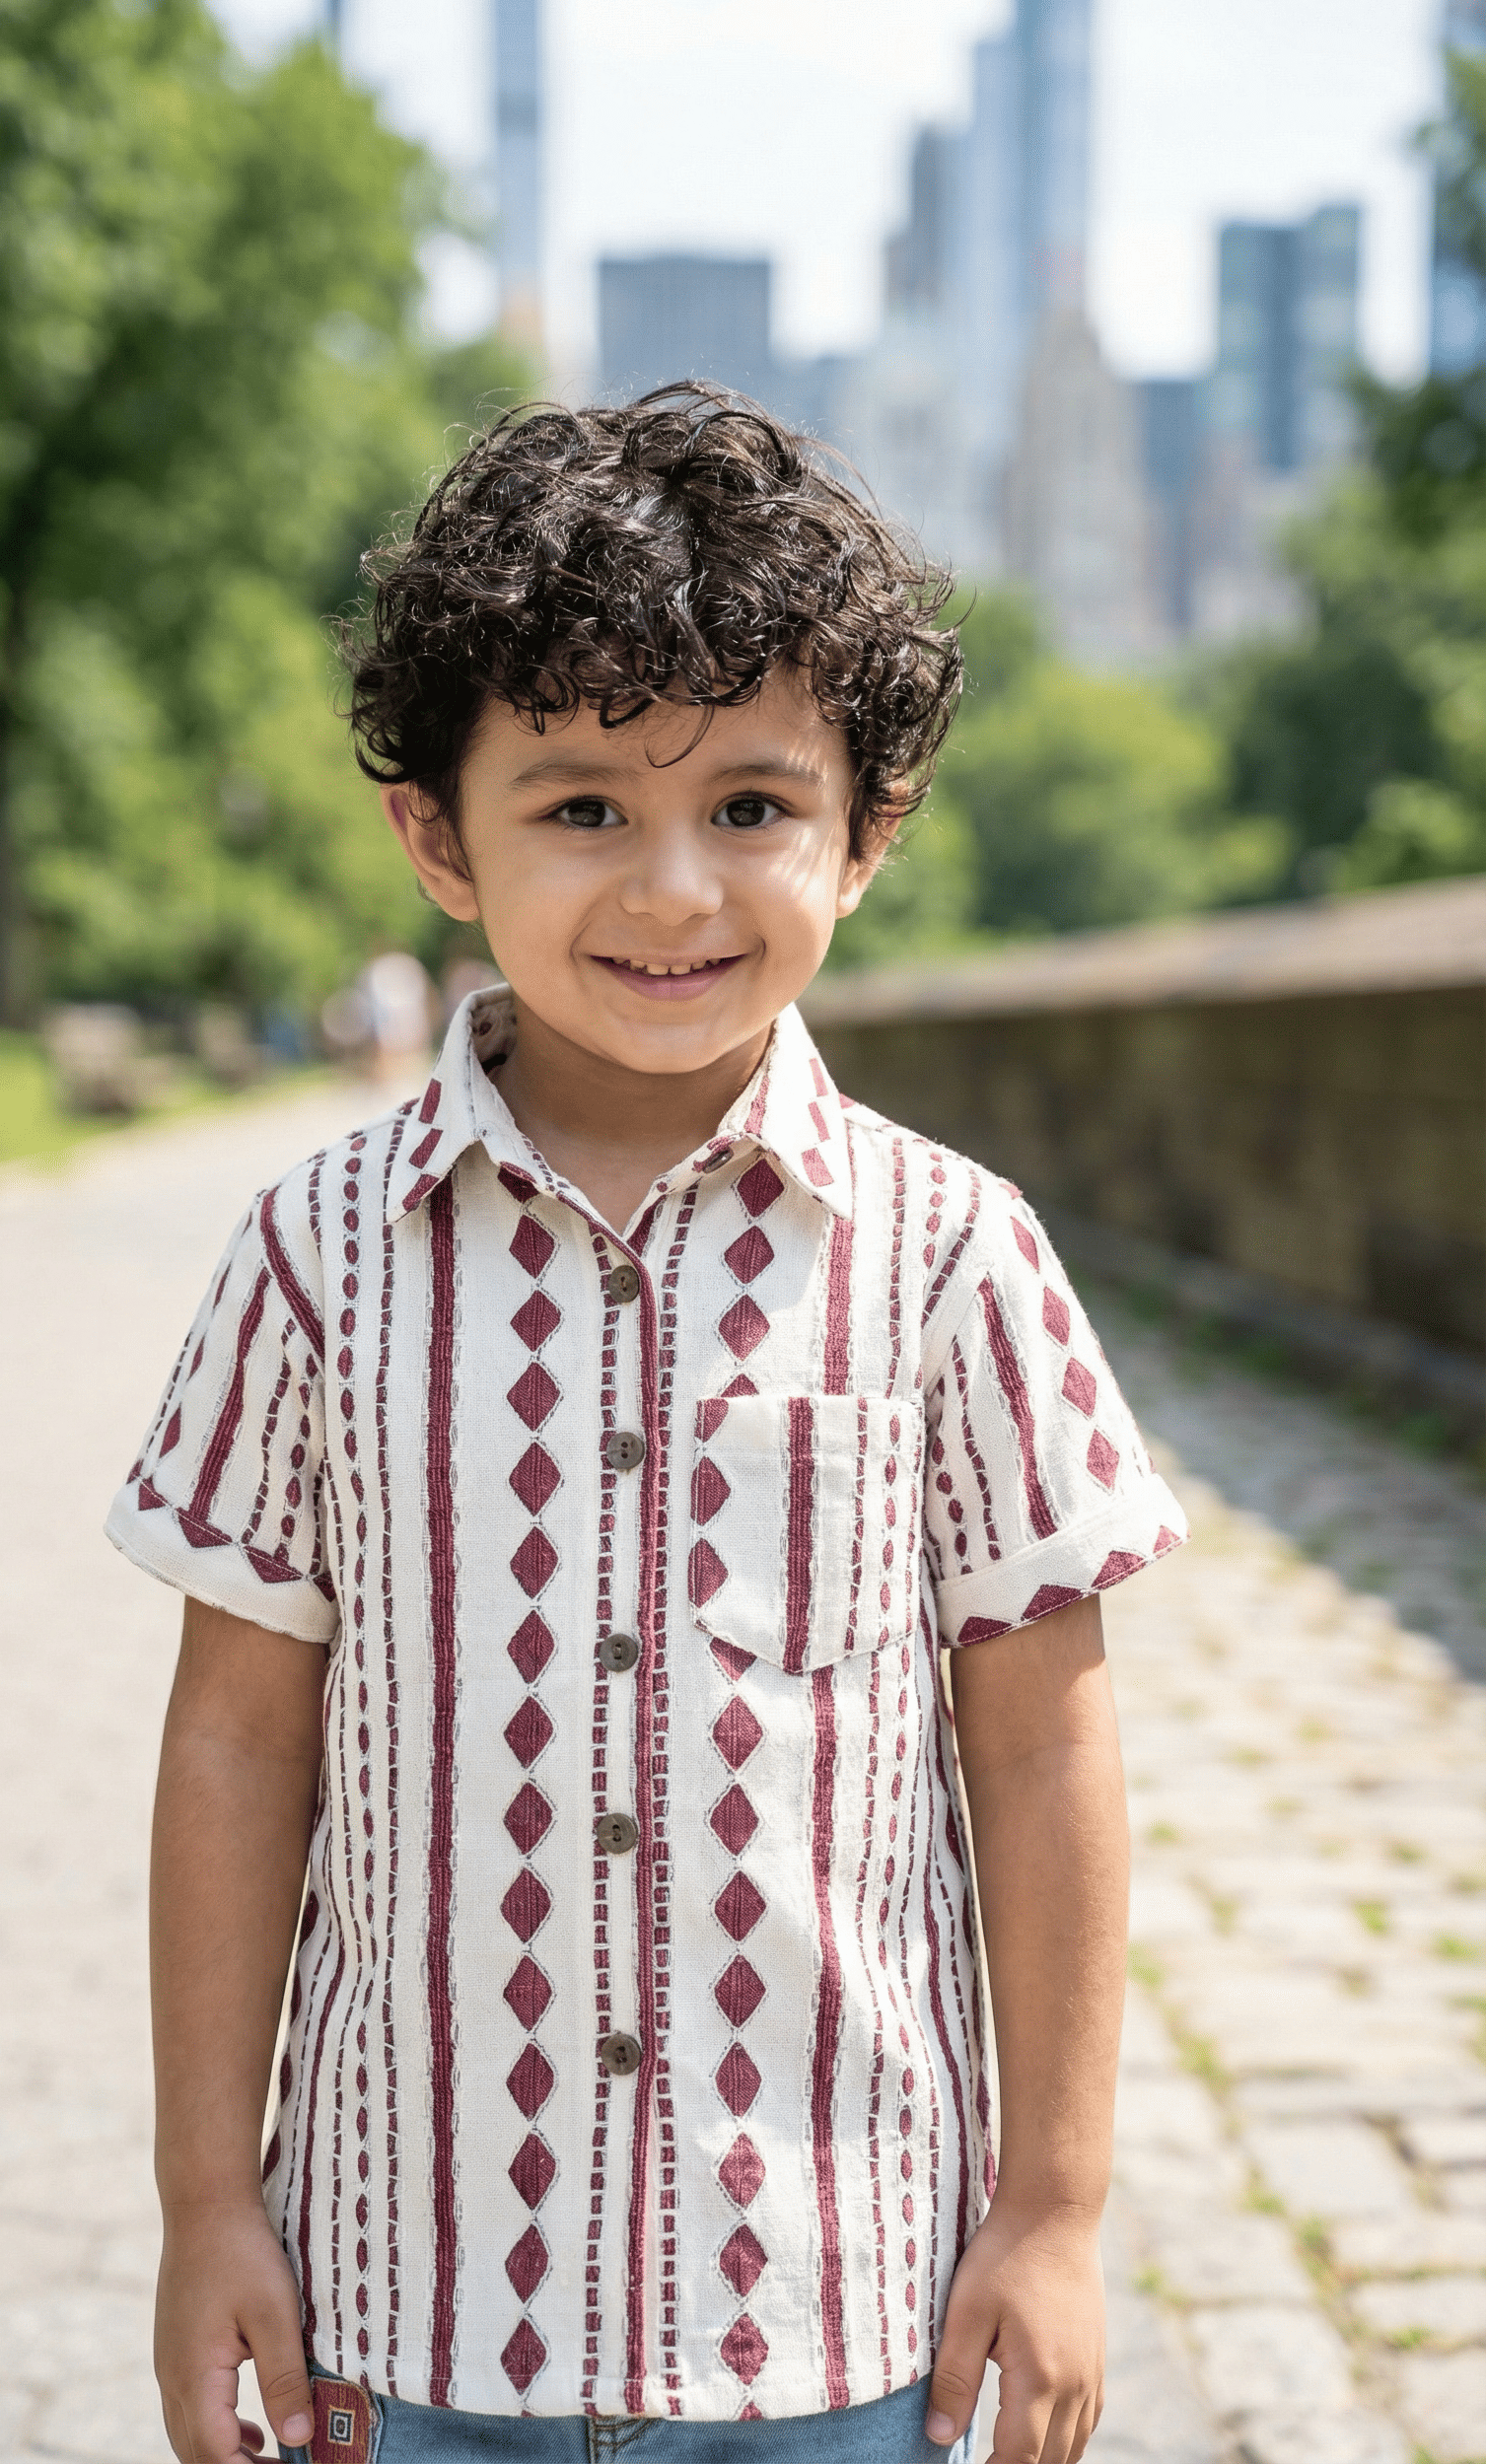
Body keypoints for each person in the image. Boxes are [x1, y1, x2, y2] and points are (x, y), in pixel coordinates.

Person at [106, 386, 1186, 2464]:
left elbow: (1044, 1744)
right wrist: (203, 2201)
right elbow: (236, 1743)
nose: (674, 888)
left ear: (867, 832)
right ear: (439, 838)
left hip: (834, 2312)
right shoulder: (317, 1259)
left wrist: (1053, 2213)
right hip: (409, 2307)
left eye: (753, 805)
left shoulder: (951, 1257)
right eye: (583, 807)